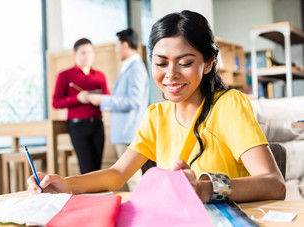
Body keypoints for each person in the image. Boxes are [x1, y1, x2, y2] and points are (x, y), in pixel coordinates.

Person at [29, 11, 285, 203]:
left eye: (184, 62)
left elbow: (274, 185)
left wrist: (205, 188)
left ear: (208, 64)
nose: (170, 75)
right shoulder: (156, 115)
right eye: (161, 63)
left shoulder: (228, 105)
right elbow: (118, 173)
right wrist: (64, 183)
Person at [88, 28, 151, 191]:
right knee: (130, 179)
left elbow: (134, 101)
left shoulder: (135, 68)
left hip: (127, 131)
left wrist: (103, 100)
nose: (116, 50)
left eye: (117, 46)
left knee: (133, 180)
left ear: (125, 45)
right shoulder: (131, 67)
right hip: (125, 132)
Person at [52, 38, 110, 174]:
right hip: (77, 127)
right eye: (83, 53)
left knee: (97, 168)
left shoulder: (100, 76)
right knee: (87, 168)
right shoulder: (64, 76)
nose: (87, 56)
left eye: (90, 52)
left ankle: (98, 196)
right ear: (75, 54)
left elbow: (108, 99)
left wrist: (99, 99)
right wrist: (77, 98)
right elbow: (56, 102)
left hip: (97, 126)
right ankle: (88, 196)